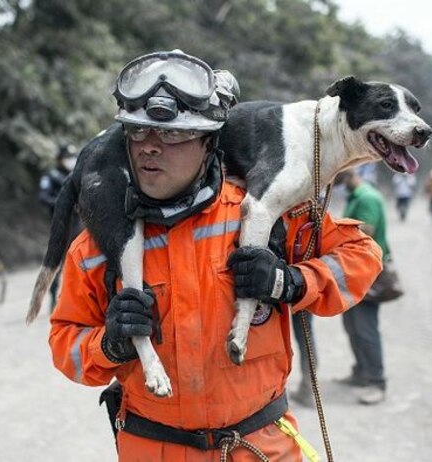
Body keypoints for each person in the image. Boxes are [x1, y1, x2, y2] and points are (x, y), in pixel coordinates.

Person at [49, 50, 383, 461]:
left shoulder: (266, 213)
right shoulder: (98, 247)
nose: (149, 148)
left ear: (209, 142)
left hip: (258, 448)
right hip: (154, 450)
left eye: (173, 135)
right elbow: (66, 344)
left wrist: (291, 281)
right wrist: (111, 344)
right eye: (138, 132)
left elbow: (361, 255)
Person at [335, 169, 391, 405]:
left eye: (339, 181)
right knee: (352, 324)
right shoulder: (355, 197)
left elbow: (365, 232)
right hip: (354, 271)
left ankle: (376, 381)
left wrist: (332, 232)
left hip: (367, 272)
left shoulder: (367, 198)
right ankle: (361, 371)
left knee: (366, 327)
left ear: (349, 176)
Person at [39, 145, 81, 310]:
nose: (70, 160)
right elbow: (43, 197)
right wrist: (63, 204)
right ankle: (53, 300)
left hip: (78, 226)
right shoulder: (51, 176)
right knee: (55, 264)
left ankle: (78, 301)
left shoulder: (77, 175)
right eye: (67, 157)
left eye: (72, 157)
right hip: (59, 226)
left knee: (79, 262)